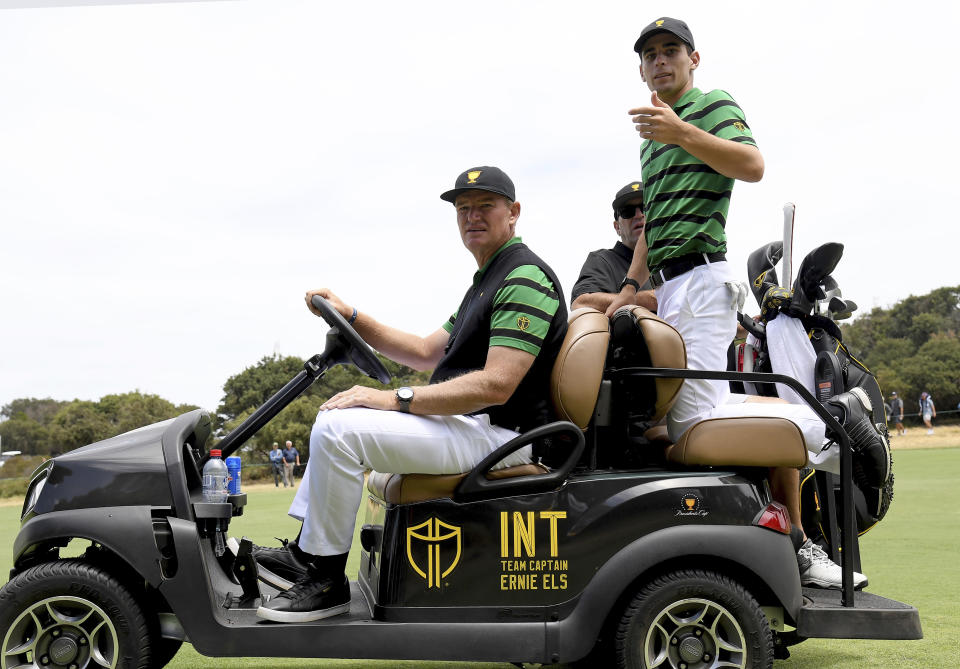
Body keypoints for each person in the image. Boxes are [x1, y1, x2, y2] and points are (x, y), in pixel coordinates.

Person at [606, 17, 890, 590]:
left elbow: (752, 165)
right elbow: (654, 223)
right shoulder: (654, 140)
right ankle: (779, 514)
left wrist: (681, 131)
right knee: (672, 423)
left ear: (694, 60)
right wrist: (631, 288)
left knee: (694, 424)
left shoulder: (709, 106)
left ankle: (823, 431)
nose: (661, 62)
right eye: (650, 56)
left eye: (671, 52)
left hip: (704, 282)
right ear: (640, 70)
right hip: (670, 285)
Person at [255, 166, 567, 623]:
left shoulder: (524, 278)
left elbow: (498, 385)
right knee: (335, 415)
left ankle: (324, 579)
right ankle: (309, 553)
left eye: (485, 206)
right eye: (463, 209)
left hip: (504, 436)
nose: (471, 217)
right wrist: (351, 315)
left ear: (513, 213)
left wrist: (395, 398)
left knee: (340, 430)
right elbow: (424, 351)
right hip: (474, 424)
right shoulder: (486, 281)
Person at [571, 180, 657, 312]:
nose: (639, 215)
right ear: (617, 227)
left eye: (644, 207)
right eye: (628, 212)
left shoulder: (674, 256)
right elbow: (581, 302)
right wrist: (649, 300)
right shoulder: (602, 260)